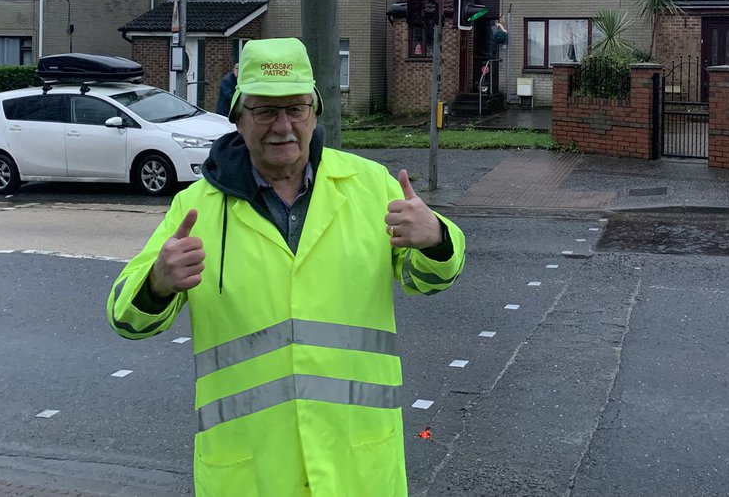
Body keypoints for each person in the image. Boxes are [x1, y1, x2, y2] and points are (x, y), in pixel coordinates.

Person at [107, 37, 465, 496]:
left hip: (357, 468)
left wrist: (436, 239)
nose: (283, 126)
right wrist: (157, 284)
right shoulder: (195, 208)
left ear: (315, 113)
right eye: (264, 111)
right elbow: (126, 320)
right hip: (249, 475)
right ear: (238, 117)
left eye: (296, 109)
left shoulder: (372, 185)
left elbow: (427, 281)